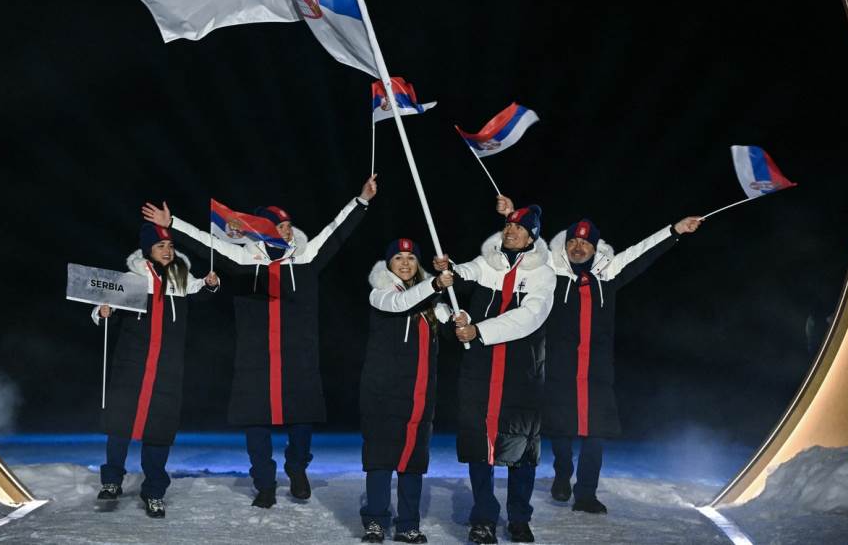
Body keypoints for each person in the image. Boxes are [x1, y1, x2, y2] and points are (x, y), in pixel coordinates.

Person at [142, 176, 377, 508]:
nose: (287, 231)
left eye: (288, 225)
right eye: (279, 226)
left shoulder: (306, 256)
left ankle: (297, 468)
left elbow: (336, 230)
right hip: (256, 357)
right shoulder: (243, 260)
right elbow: (205, 243)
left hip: (298, 355)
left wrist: (361, 200)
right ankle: (264, 483)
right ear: (262, 229)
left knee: (302, 417)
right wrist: (173, 224)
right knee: (255, 420)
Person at [497, 196, 700, 514]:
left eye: (585, 243)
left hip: (596, 371)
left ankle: (586, 493)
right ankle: (562, 473)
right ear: (565, 246)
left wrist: (675, 230)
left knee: (596, 433)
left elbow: (642, 252)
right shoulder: (550, 272)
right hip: (560, 367)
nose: (578, 247)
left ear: (594, 248)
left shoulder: (609, 272)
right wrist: (513, 217)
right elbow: (523, 248)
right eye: (572, 242)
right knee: (562, 428)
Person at [433, 204, 557, 544]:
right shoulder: (488, 261)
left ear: (532, 236)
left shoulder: (543, 273)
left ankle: (519, 518)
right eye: (508, 227)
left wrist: (479, 330)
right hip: (482, 368)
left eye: (519, 228)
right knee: (480, 444)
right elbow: (466, 272)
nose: (510, 231)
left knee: (521, 447)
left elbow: (530, 316)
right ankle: (484, 518)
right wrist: (449, 272)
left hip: (521, 372)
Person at [92, 223, 220, 518]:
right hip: (132, 364)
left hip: (167, 368)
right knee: (120, 424)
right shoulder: (132, 278)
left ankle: (154, 492)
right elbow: (103, 307)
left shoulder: (180, 277)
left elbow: (201, 290)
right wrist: (103, 312)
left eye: (170, 246)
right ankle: (112, 481)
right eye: (161, 245)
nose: (167, 250)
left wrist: (210, 283)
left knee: (159, 429)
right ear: (148, 249)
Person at [360, 238, 454, 544]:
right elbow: (401, 304)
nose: (404, 263)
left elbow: (453, 327)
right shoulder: (381, 292)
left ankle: (408, 524)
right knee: (381, 457)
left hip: (420, 393)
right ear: (388, 263)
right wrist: (435, 284)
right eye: (398, 257)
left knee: (413, 460)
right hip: (383, 392)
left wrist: (460, 315)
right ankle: (375, 520)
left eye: (411, 258)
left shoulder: (432, 303)